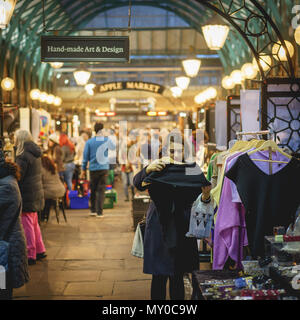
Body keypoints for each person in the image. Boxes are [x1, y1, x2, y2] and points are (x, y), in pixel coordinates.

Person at [133, 132, 211, 300]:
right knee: (158, 275)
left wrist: (206, 197)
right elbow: (137, 183)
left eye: (180, 150)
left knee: (178, 275)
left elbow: (204, 199)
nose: (176, 154)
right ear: (165, 151)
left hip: (182, 225)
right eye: (172, 151)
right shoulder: (158, 167)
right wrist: (147, 168)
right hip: (158, 226)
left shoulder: (192, 169)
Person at [0, 150, 29, 300]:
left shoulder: (7, 186)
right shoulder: (6, 180)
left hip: (6, 249)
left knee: (3, 290)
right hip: (7, 246)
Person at [15, 130, 46, 265]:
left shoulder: (23, 156)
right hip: (35, 192)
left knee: (27, 223)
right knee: (33, 223)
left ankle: (31, 254)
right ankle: (40, 249)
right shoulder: (35, 153)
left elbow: (19, 175)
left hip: (27, 193)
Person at [80, 122, 115, 218]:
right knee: (101, 190)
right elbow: (113, 147)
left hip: (93, 169)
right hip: (104, 168)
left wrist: (83, 170)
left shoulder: (89, 142)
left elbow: (85, 157)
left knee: (93, 189)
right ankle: (100, 212)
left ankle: (93, 210)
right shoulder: (106, 140)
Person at [40, 155, 66, 222]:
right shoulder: (53, 169)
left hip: (51, 191)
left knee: (41, 195)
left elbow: (40, 182)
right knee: (47, 196)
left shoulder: (42, 170)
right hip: (61, 190)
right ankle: (45, 216)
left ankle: (43, 216)